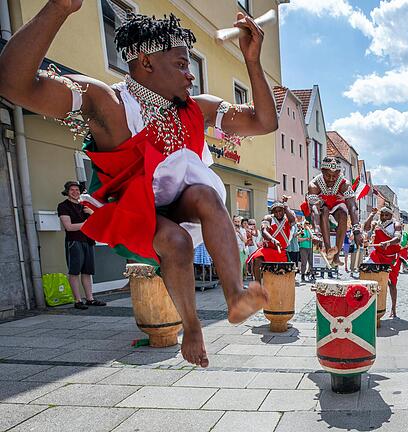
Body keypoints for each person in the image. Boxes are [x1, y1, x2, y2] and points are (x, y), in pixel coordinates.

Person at [0, 3, 279, 367]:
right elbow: (13, 82)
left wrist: (253, 63)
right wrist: (58, 9)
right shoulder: (108, 103)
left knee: (207, 195)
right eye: (182, 65)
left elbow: (263, 121)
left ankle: (236, 295)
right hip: (133, 213)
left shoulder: (197, 107)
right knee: (175, 240)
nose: (190, 77)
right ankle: (192, 327)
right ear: (146, 62)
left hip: (180, 202)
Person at [303, 157, 362, 266]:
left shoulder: (345, 184)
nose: (331, 179)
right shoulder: (314, 184)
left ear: (339, 173)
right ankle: (328, 249)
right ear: (322, 171)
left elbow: (352, 207)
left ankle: (336, 255)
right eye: (327, 176)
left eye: (334, 176)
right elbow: (315, 210)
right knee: (324, 211)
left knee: (344, 213)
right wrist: (316, 232)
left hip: (337, 206)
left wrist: (357, 231)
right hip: (320, 208)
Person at [56, 181, 105, 310]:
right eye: (72, 190)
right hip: (74, 241)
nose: (75, 192)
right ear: (67, 191)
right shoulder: (63, 206)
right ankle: (77, 300)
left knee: (87, 272)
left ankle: (90, 299)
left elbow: (98, 220)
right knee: (74, 271)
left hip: (88, 240)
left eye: (77, 190)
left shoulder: (84, 205)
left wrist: (91, 213)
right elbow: (69, 227)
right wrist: (87, 223)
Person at [363, 207, 403, 318]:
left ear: (391, 215)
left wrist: (388, 243)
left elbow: (398, 238)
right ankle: (367, 305)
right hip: (377, 255)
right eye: (382, 215)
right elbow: (366, 228)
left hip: (392, 258)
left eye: (387, 215)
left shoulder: (396, 224)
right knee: (367, 272)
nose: (384, 217)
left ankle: (393, 309)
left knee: (392, 283)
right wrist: (371, 215)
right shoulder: (376, 223)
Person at [247, 197, 296, 281]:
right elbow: (264, 231)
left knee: (285, 272)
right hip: (268, 250)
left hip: (281, 252)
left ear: (284, 211)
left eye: (280, 211)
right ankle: (258, 285)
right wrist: (273, 240)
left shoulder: (287, 219)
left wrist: (286, 205)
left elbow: (293, 220)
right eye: (275, 212)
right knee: (257, 259)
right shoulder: (268, 218)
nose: (278, 213)